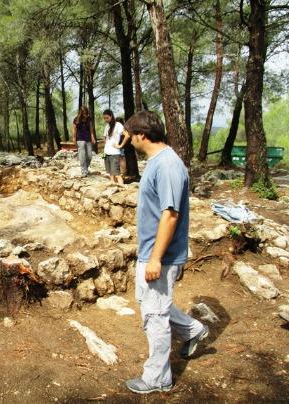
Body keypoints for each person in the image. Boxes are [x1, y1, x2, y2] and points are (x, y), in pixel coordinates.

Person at [123, 111, 208, 394]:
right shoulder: (159, 162)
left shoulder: (168, 165)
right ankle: (192, 330)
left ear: (141, 136)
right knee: (153, 304)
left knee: (154, 315)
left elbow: (170, 215)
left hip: (160, 255)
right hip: (152, 251)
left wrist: (156, 258)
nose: (129, 140)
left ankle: (158, 378)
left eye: (130, 135)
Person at [102, 109, 128, 184]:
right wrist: (106, 144)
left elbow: (127, 135)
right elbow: (104, 137)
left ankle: (122, 189)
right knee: (110, 173)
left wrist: (120, 145)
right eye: (104, 118)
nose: (105, 120)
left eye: (107, 118)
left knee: (117, 174)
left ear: (111, 116)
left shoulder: (118, 125)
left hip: (114, 153)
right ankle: (112, 186)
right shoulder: (107, 126)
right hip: (106, 152)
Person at [72, 106, 96, 177]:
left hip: (88, 139)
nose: (86, 115)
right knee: (82, 155)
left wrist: (93, 137)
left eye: (86, 113)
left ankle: (86, 168)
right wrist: (73, 138)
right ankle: (84, 171)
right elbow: (73, 129)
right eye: (84, 113)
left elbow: (91, 129)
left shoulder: (89, 119)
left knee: (89, 156)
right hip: (80, 139)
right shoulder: (76, 119)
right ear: (81, 113)